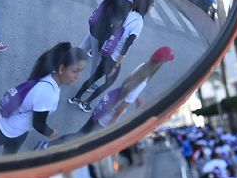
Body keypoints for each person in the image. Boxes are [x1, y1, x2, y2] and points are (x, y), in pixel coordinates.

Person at [0, 42, 87, 155]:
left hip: (18, 132)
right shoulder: (47, 92)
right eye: (75, 71)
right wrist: (51, 133)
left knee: (8, 160)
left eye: (81, 71)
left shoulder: (51, 79)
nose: (78, 76)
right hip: (4, 131)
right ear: (62, 68)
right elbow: (39, 123)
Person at [42, 46, 174, 148]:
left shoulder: (142, 68)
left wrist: (138, 99)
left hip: (106, 105)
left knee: (81, 135)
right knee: (80, 137)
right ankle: (48, 146)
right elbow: (120, 110)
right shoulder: (142, 82)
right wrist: (111, 127)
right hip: (106, 118)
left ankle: (50, 146)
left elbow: (130, 87)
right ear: (159, 65)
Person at [71, 0, 152, 112]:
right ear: (148, 6)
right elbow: (127, 45)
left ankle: (75, 98)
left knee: (95, 76)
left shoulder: (131, 14)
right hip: (114, 58)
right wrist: (117, 64)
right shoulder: (139, 23)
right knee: (107, 83)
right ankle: (86, 103)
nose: (152, 7)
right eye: (152, 5)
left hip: (107, 50)